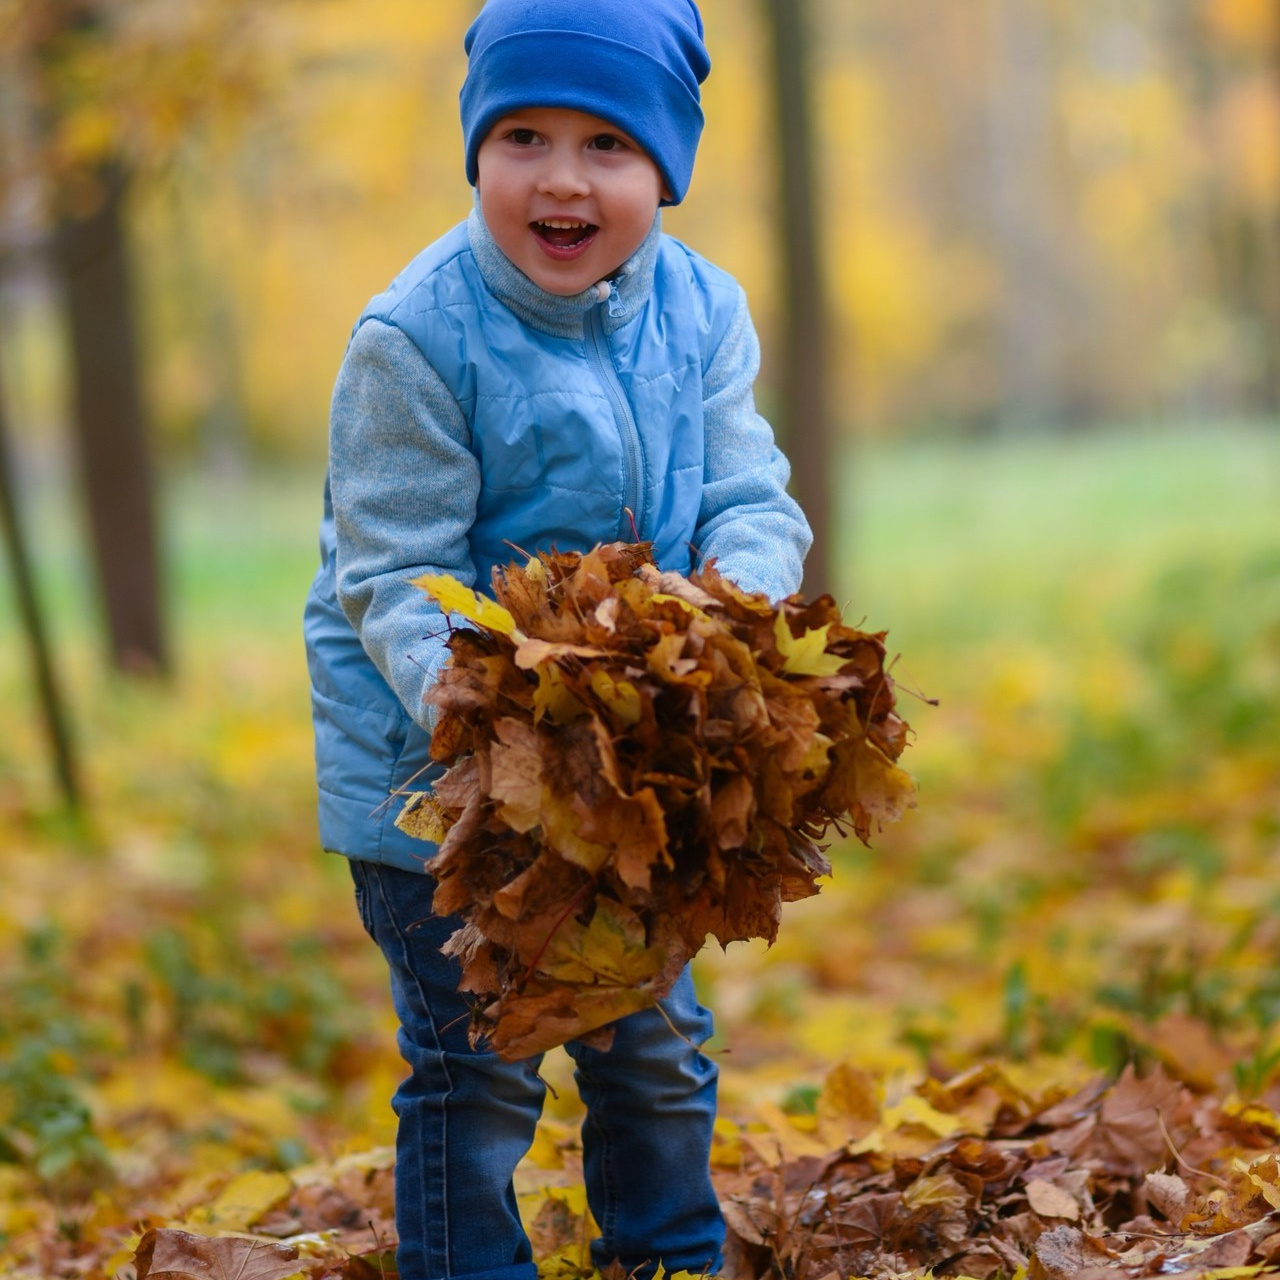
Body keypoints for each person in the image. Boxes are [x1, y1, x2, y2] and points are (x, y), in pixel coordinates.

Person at [303, 1, 812, 1276]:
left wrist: (728, 614)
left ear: (666, 172)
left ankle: (669, 1257)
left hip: (631, 783)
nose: (562, 178)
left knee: (654, 1048)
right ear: (474, 151)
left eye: (608, 145)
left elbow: (750, 495)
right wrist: (498, 726)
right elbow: (394, 572)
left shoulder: (700, 311)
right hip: (446, 791)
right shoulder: (414, 338)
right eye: (521, 135)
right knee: (479, 1065)